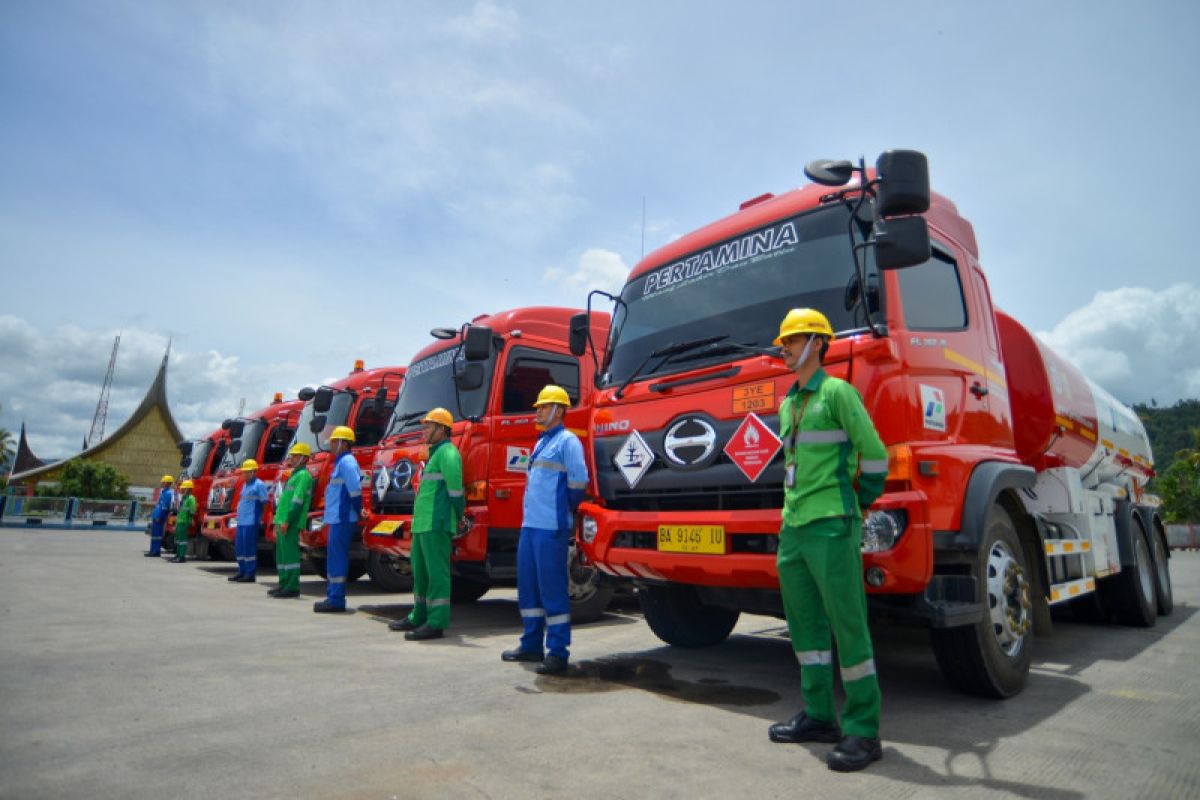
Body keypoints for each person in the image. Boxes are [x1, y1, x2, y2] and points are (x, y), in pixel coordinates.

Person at [765, 308, 889, 773]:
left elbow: (873, 454)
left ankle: (863, 729)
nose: (784, 348)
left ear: (817, 343)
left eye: (792, 341)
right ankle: (819, 716)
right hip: (794, 526)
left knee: (847, 623)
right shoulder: (789, 402)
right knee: (805, 626)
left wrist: (860, 499)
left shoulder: (837, 392)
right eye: (784, 342)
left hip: (834, 521)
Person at [501, 385, 588, 676]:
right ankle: (531, 644)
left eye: (543, 406)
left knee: (552, 590)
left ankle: (558, 652)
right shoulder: (540, 443)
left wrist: (563, 513)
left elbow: (578, 483)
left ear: (559, 410)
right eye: (538, 406)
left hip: (551, 527)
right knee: (528, 588)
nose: (537, 410)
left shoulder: (568, 441)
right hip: (530, 526)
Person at [389, 408, 464, 640]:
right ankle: (418, 616)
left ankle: (436, 622)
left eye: (429, 426)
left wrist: (460, 516)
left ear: (442, 429)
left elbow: (455, 491)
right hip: (423, 523)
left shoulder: (448, 454)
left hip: (436, 522)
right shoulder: (434, 454)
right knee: (421, 574)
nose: (425, 431)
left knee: (436, 574)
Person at [314, 426, 361, 613]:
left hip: (343, 518)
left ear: (343, 443)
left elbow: (355, 490)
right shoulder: (340, 463)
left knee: (337, 558)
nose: (331, 445)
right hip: (337, 518)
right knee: (334, 558)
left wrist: (359, 510)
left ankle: (336, 599)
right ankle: (333, 596)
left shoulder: (347, 462)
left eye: (334, 441)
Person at [269, 442, 313, 599]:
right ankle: (284, 584)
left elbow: (297, 501)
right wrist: (278, 520)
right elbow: (285, 500)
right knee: (281, 556)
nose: (291, 458)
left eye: (295, 455)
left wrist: (287, 520)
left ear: (303, 458)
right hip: (282, 520)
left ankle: (292, 586)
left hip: (290, 522)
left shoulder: (304, 476)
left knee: (290, 555)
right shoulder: (294, 475)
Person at [230, 459, 269, 583]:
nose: (244, 474)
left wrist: (261, 518)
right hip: (241, 521)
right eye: (244, 472)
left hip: (251, 521)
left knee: (249, 548)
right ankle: (242, 572)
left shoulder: (259, 485)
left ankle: (250, 574)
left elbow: (265, 503)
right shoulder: (245, 485)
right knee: (240, 548)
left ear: (253, 472)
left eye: (247, 472)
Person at [145, 475, 175, 558]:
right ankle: (153, 550)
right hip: (157, 515)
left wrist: (159, 516)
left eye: (163, 482)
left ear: (167, 483)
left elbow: (164, 506)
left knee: (157, 535)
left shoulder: (168, 493)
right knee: (154, 535)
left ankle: (155, 552)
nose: (162, 483)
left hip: (159, 516)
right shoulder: (164, 492)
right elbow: (159, 504)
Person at [169, 480, 196, 563]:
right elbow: (180, 510)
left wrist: (191, 519)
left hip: (184, 521)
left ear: (188, 489)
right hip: (180, 521)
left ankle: (181, 557)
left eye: (183, 488)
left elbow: (192, 510)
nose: (181, 489)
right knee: (178, 539)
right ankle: (177, 555)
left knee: (182, 540)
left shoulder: (191, 498)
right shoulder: (184, 498)